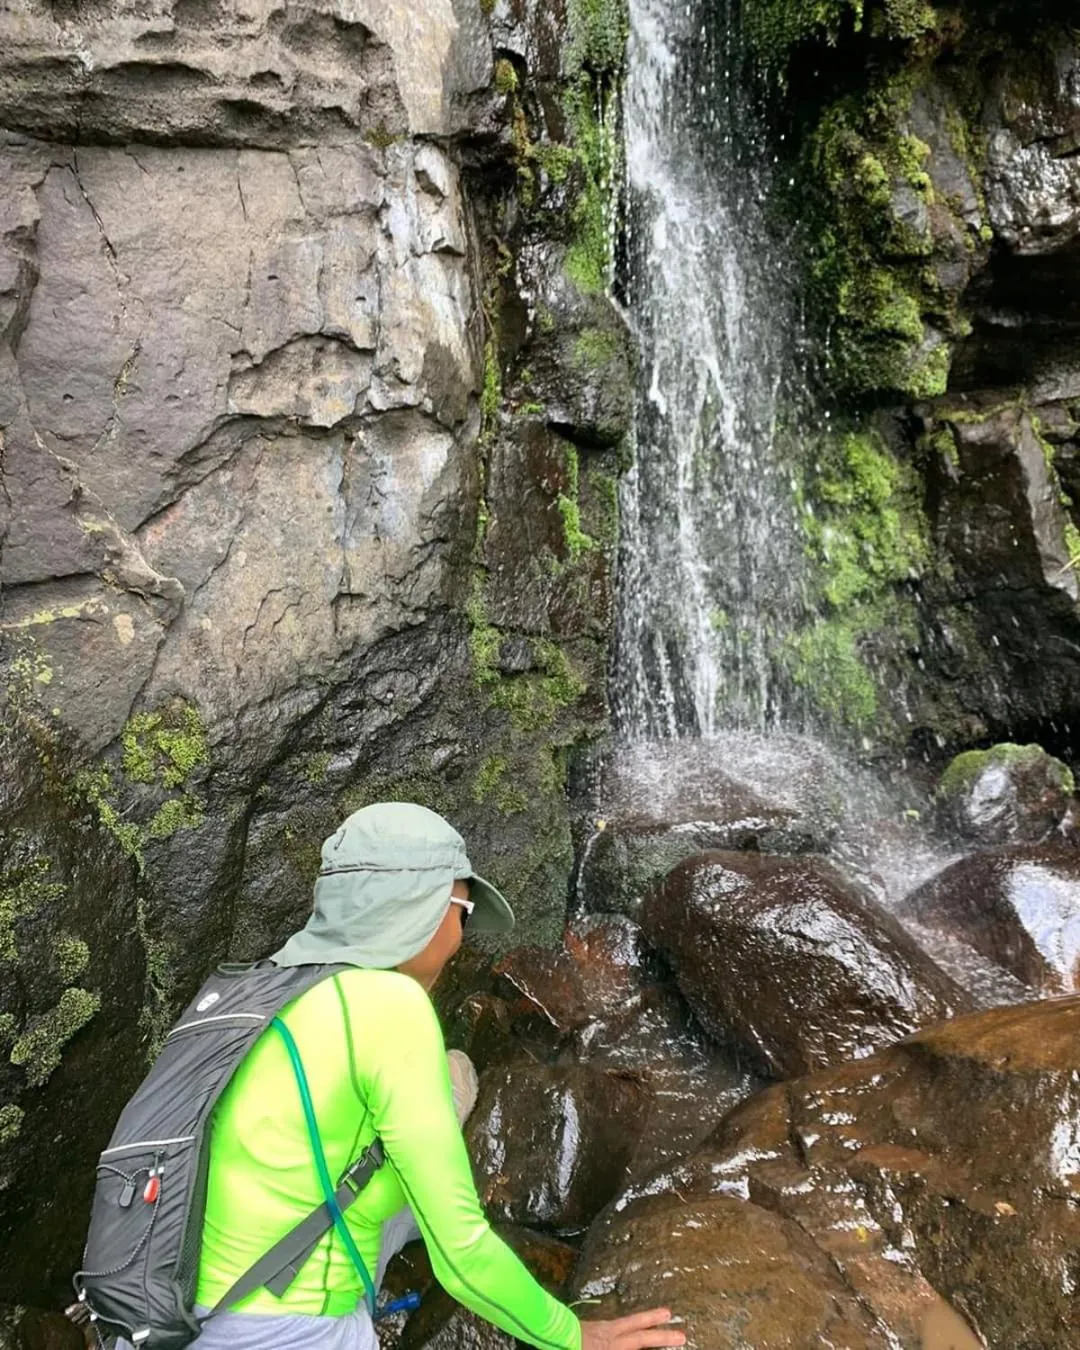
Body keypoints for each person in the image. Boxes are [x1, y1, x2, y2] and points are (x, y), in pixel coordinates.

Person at [192, 801, 687, 1350]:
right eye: (464, 914)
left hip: (173, 1307)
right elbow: (461, 1253)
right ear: (425, 906)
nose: (462, 938)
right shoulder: (391, 1006)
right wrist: (573, 1336)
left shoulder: (263, 989)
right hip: (282, 1333)